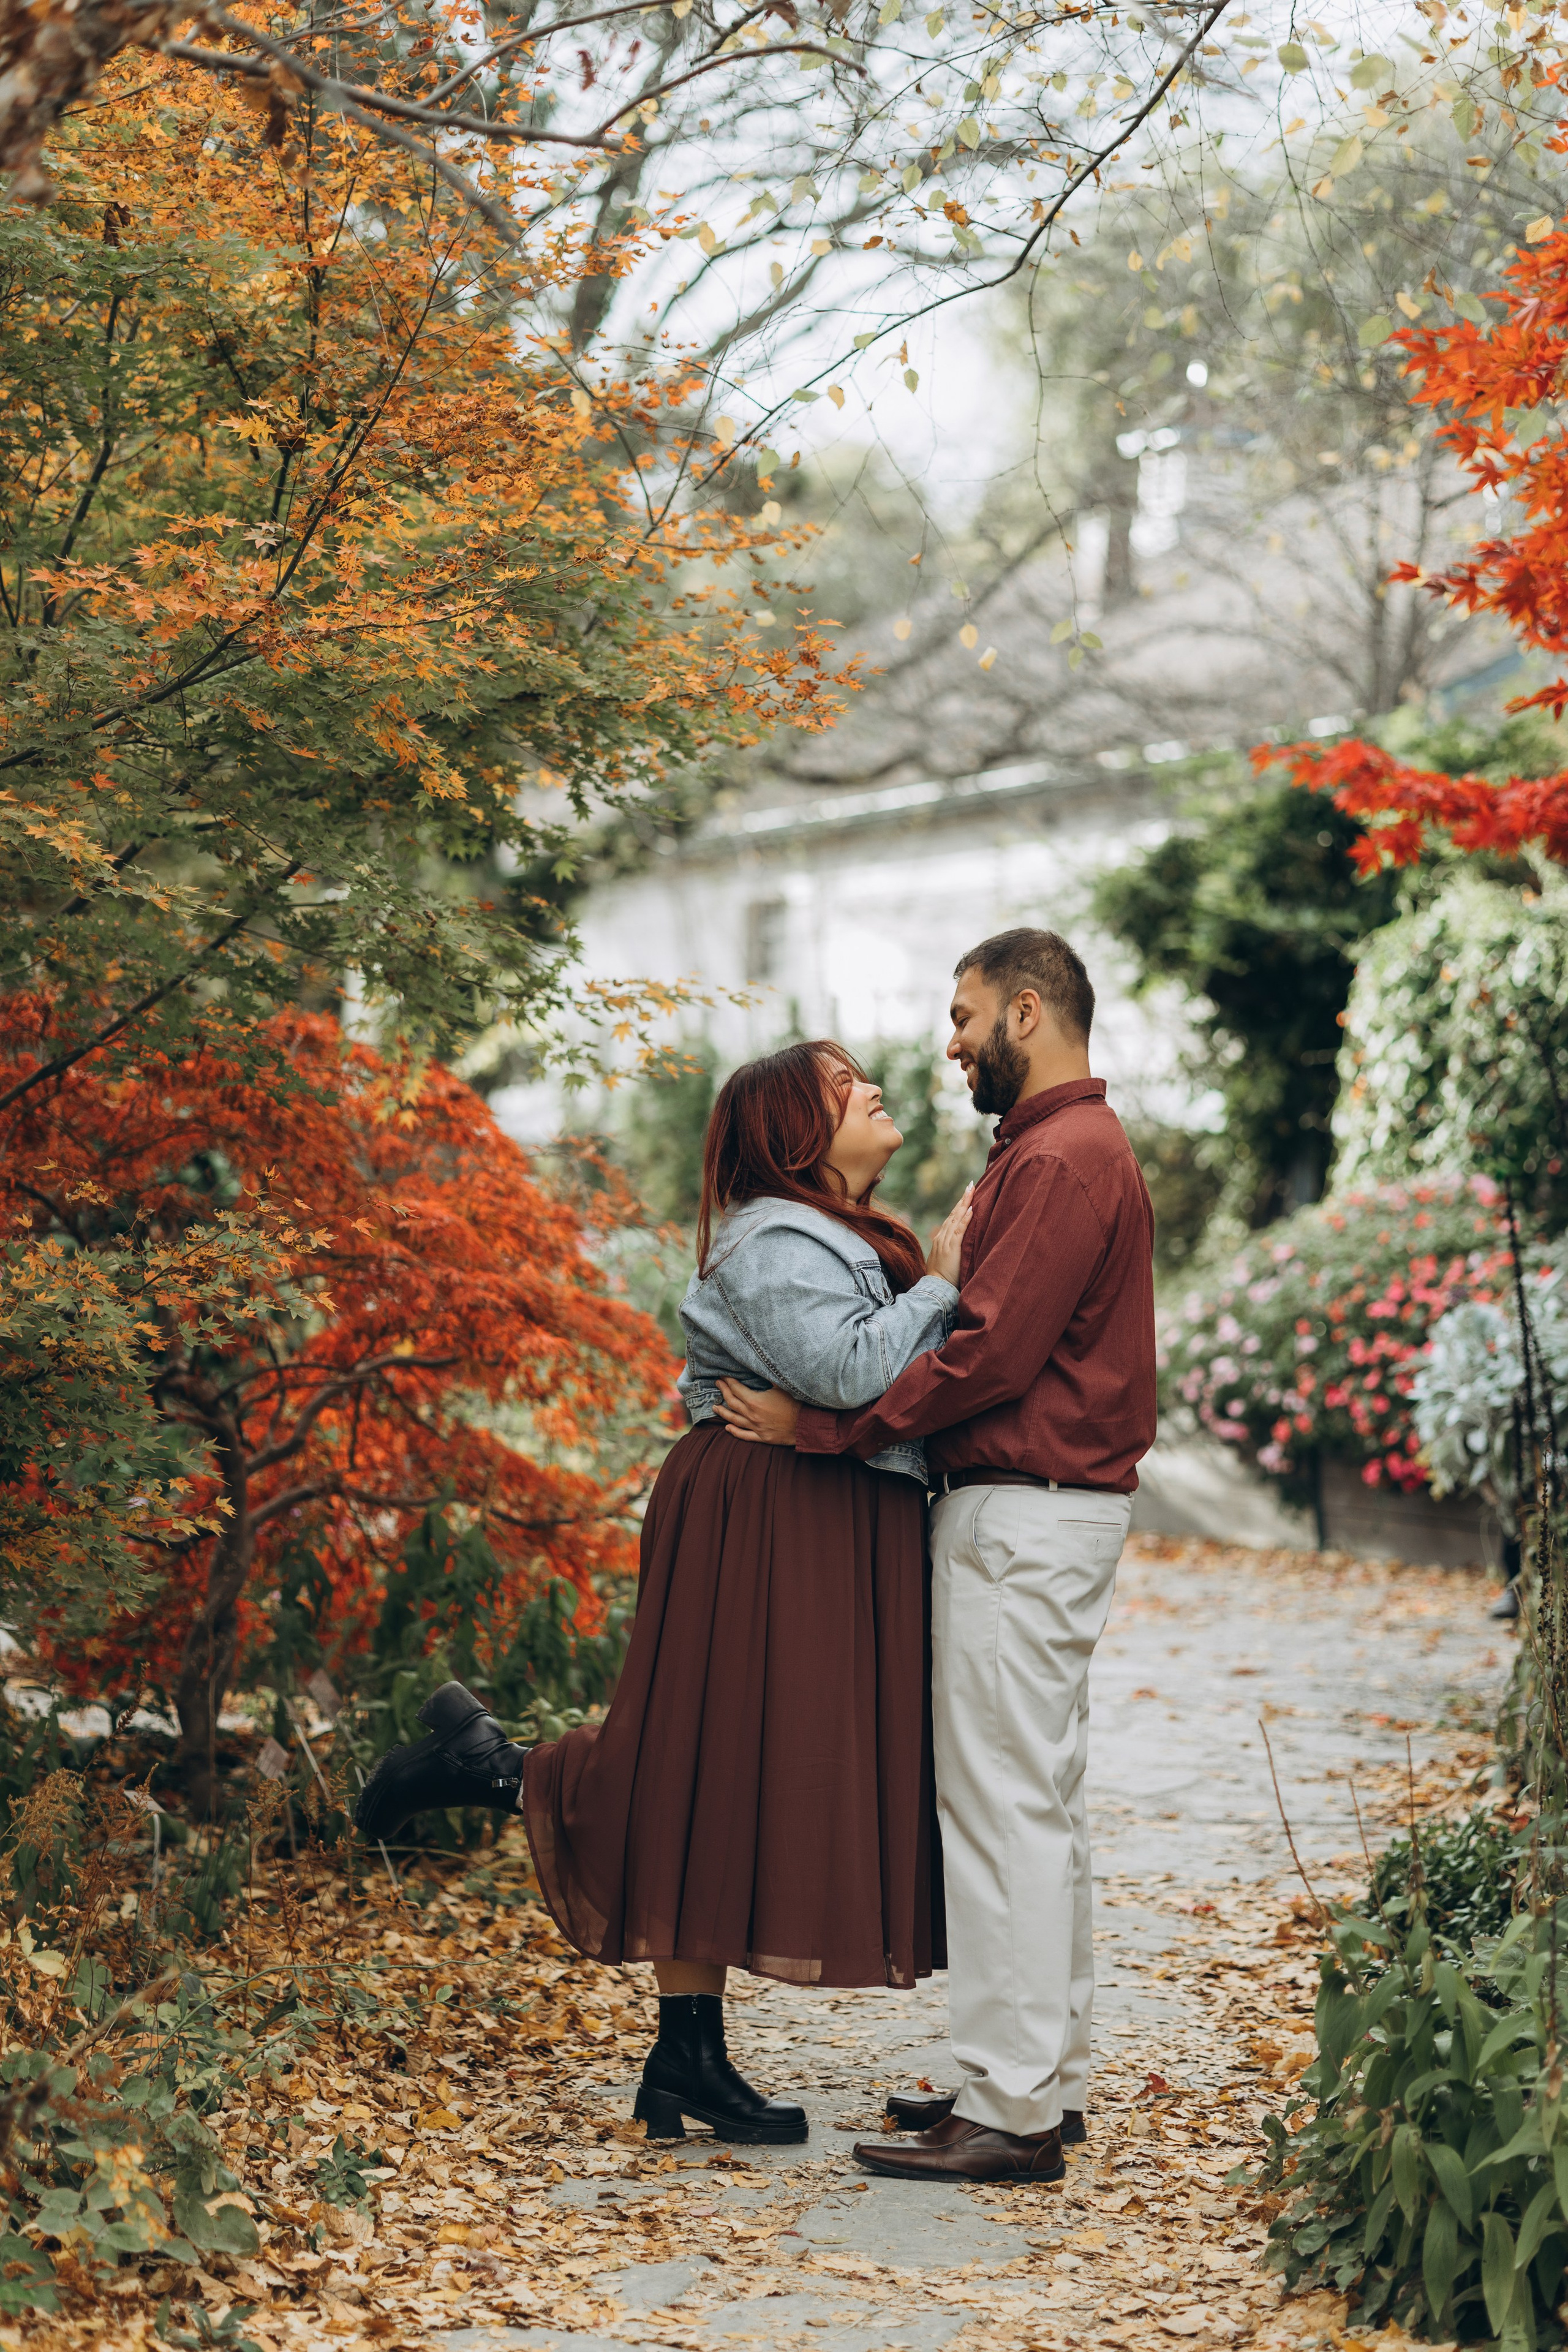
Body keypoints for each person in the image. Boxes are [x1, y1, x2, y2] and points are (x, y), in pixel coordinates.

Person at [356, 1041, 973, 2146]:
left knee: (722, 1772)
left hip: (812, 1511)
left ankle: (685, 2053)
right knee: (704, 1757)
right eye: (840, 1084)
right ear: (794, 1130)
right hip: (765, 1514)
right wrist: (945, 1280)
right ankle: (492, 1772)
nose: (869, 1084)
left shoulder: (835, 1232)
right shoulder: (775, 1234)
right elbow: (844, 1369)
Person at [717, 928, 1157, 2187]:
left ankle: (1010, 2112)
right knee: (1038, 1803)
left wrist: (829, 1432)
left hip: (1023, 1509)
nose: (948, 1042)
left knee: (1001, 1804)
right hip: (1042, 1510)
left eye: (963, 1016)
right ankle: (1031, 2082)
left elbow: (983, 1357)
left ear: (1028, 1011)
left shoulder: (1063, 1157)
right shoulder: (1054, 1149)